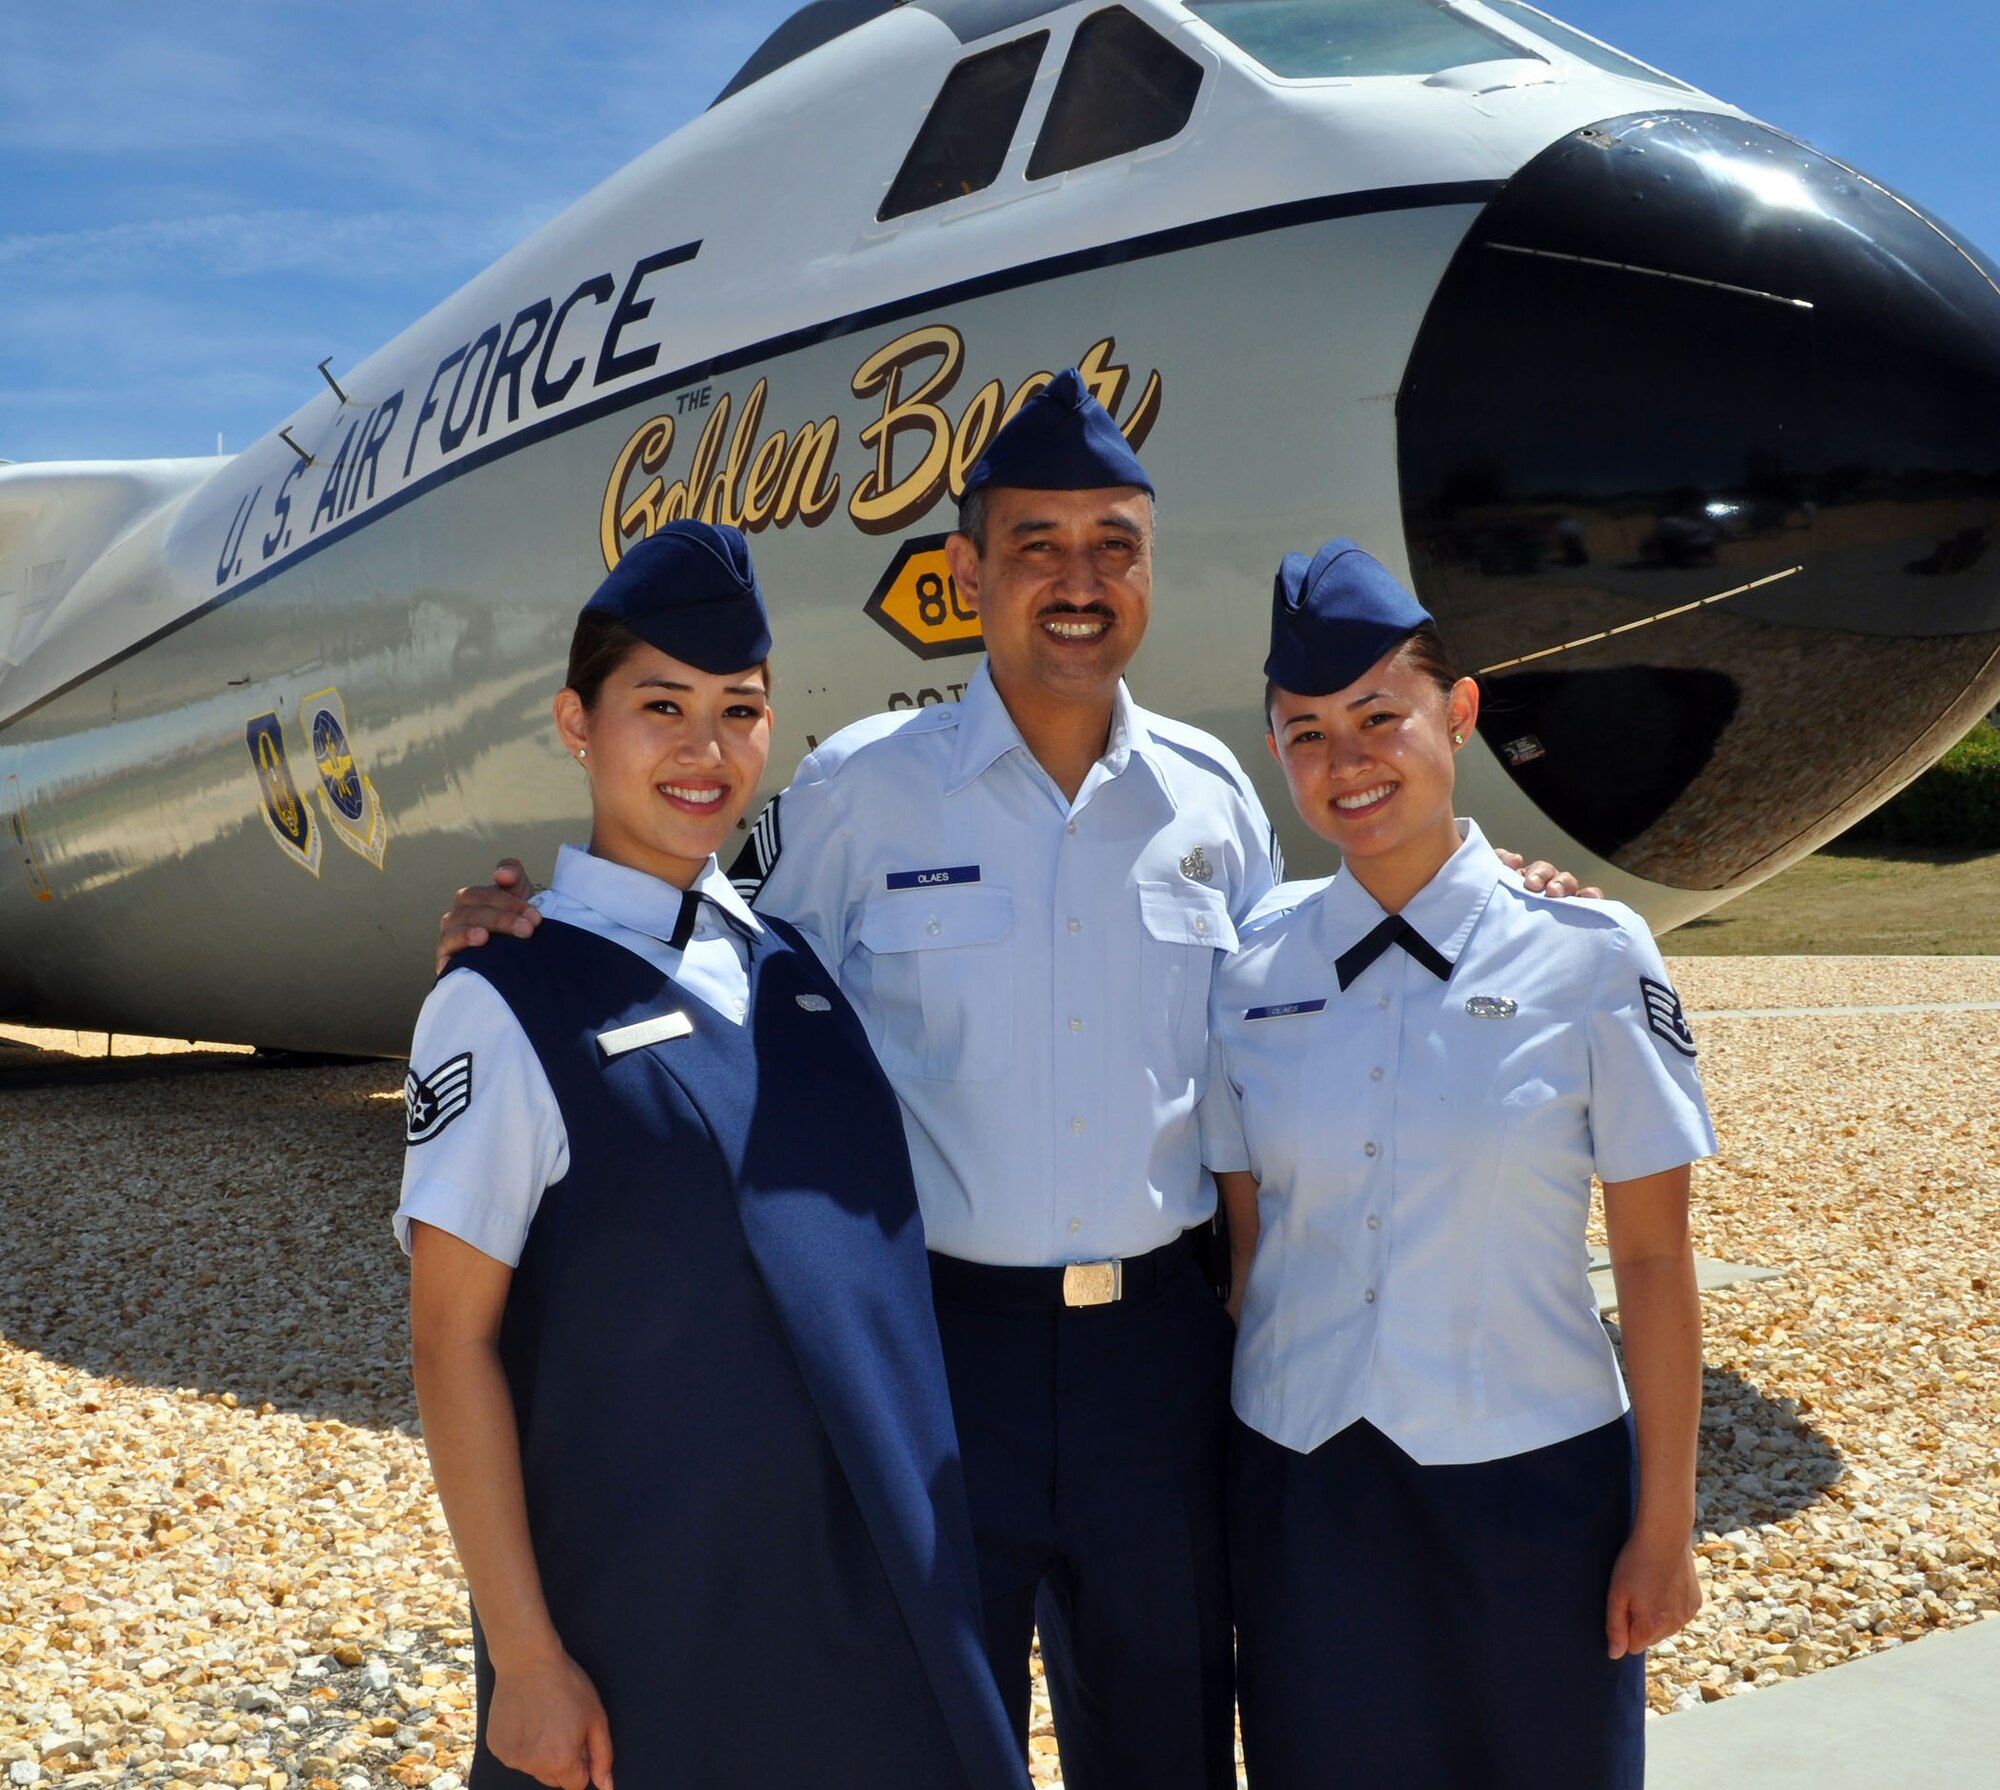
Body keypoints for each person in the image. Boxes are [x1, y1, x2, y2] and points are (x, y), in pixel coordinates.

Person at [435, 377, 1592, 1789]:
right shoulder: (860, 791)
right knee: (923, 1731)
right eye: (1037, 543)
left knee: (1166, 1745)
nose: (1080, 579)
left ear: (1151, 570)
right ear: (964, 571)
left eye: (1116, 542)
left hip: (1164, 1360)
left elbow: (1320, 960)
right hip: (939, 1356)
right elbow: (692, 934)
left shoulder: (1218, 797)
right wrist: (521, 932)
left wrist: (1504, 889)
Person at [397, 520, 1023, 1790]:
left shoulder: (792, 967)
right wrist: (521, 1657)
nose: (704, 749)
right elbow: (449, 1341)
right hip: (654, 1626)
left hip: (867, 1609)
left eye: (738, 709)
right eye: (660, 706)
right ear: (577, 724)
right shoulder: (505, 996)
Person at [1205, 538, 1713, 1790]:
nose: (1346, 760)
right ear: (1276, 751)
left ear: (1461, 712)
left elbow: (1651, 1256)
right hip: (1304, 1484)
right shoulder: (1248, 966)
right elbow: (1246, 1245)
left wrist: (1663, 1526)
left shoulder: (1590, 953)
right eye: (1306, 731)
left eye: (1379, 716)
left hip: (1532, 1491)